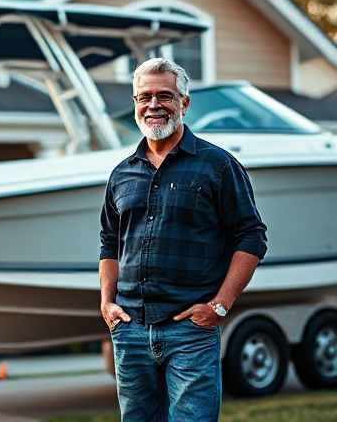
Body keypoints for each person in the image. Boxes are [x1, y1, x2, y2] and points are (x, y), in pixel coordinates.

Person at [99, 57, 268, 421]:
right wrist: (106, 303)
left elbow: (251, 237)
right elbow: (109, 241)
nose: (154, 105)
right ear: (135, 104)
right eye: (144, 97)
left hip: (190, 330)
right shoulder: (122, 174)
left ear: (184, 103)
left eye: (165, 95)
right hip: (130, 330)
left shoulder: (218, 165)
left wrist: (220, 306)